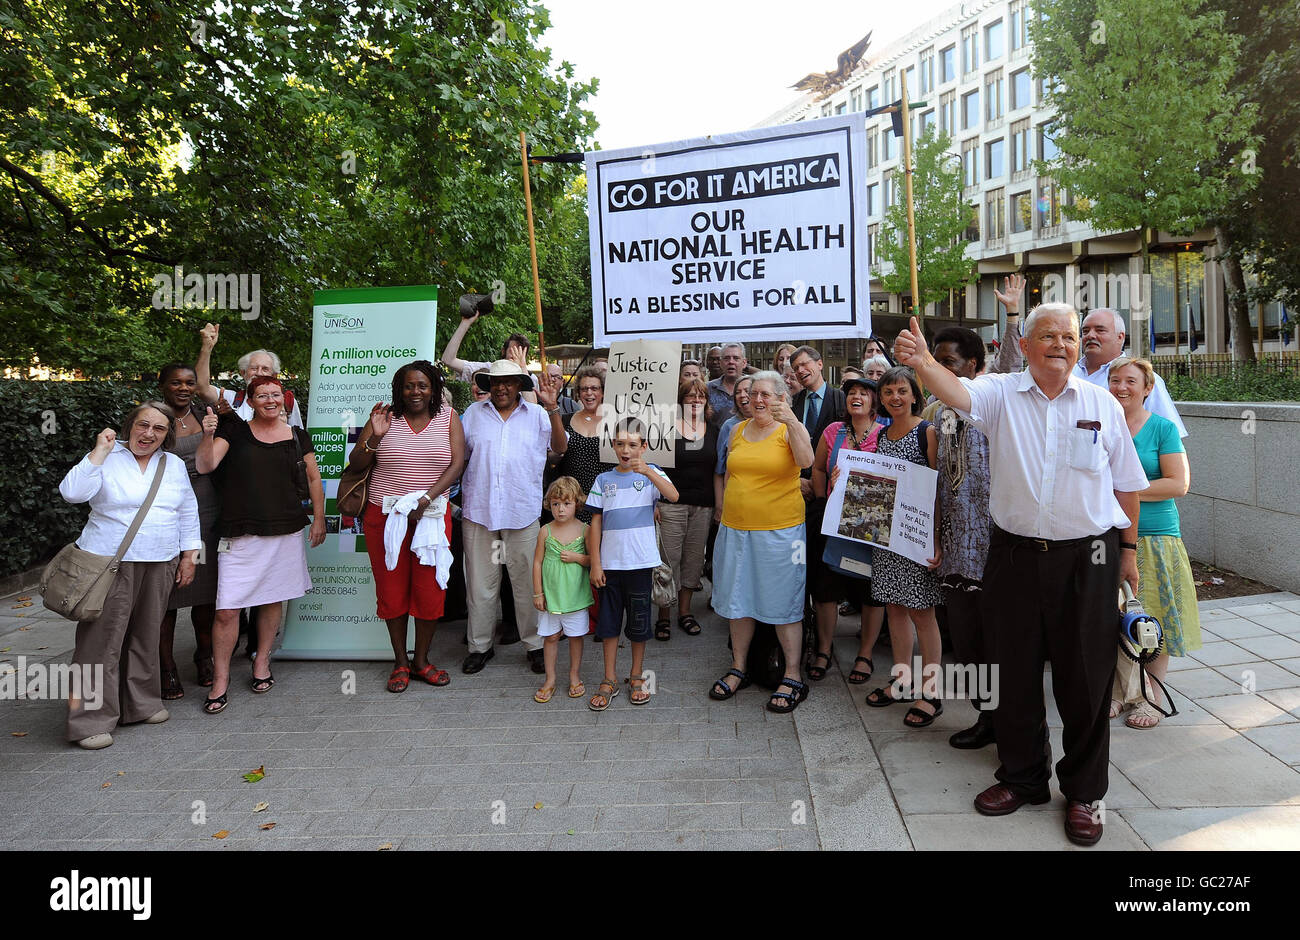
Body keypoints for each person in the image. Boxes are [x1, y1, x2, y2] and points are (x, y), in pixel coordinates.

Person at [895, 304, 1148, 847]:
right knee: (1012, 671)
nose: (1062, 343)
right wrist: (921, 363)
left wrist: (1127, 551)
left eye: (1071, 336)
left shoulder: (1102, 402)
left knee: (1084, 678)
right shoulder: (999, 393)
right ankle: (1022, 777)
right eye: (1049, 335)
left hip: (1091, 557)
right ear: (1027, 344)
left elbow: (1127, 483)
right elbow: (955, 391)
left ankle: (1084, 792)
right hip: (1012, 555)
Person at [59, 405, 201, 749]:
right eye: (143, 425)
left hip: (160, 560)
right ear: (130, 426)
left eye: (159, 428)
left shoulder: (174, 465)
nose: (149, 433)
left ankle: (141, 704)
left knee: (145, 637)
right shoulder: (107, 456)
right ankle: (88, 720)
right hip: (110, 562)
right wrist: (99, 452)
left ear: (168, 435)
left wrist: (190, 555)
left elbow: (187, 509)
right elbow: (72, 493)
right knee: (99, 644)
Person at [921, 275, 1025, 748]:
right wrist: (934, 537)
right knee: (967, 642)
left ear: (974, 366)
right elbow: (932, 478)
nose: (939, 371)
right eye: (935, 364)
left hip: (997, 550)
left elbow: (1012, 364)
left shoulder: (997, 399)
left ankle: (1014, 728)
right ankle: (986, 719)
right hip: (954, 553)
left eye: (948, 363)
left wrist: (1013, 315)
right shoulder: (934, 412)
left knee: (1003, 642)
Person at [196, 377, 326, 714]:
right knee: (227, 610)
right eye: (261, 395)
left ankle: (261, 663)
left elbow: (313, 478)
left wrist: (321, 519)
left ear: (283, 399)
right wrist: (208, 434)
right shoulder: (234, 430)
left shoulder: (297, 435)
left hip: (285, 530)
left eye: (275, 394)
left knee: (272, 599)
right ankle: (220, 679)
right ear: (250, 401)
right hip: (240, 532)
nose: (270, 400)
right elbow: (206, 464)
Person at [349, 361, 465, 693]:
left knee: (430, 591)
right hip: (384, 518)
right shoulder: (384, 418)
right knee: (392, 591)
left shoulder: (448, 418)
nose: (416, 392)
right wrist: (374, 437)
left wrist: (426, 499)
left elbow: (457, 463)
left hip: (430, 516)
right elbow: (356, 464)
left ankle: (421, 661)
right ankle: (400, 661)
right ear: (399, 389)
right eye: (409, 386)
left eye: (422, 385)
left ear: (434, 389)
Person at [708, 371, 815, 713]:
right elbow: (727, 473)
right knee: (738, 598)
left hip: (781, 532)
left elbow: (807, 462)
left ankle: (793, 674)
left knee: (784, 602)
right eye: (754, 394)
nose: (758, 400)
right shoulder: (736, 430)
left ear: (783, 397)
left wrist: (794, 422)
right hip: (736, 530)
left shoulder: (788, 429)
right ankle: (739, 666)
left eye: (766, 394)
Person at [1107, 357, 1200, 728]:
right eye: (1115, 380)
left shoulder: (1162, 428)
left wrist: (1125, 491)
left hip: (1156, 537)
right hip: (1106, 538)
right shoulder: (1100, 425)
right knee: (1110, 619)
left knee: (1153, 620)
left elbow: (1178, 484)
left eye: (1131, 381)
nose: (1121, 387)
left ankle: (1152, 696)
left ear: (1148, 389)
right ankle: (1118, 691)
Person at [459, 360, 567, 675]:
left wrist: (553, 408)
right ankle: (479, 646)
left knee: (528, 583)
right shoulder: (473, 414)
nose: (502, 388)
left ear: (519, 385)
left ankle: (534, 646)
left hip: (522, 512)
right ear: (488, 385)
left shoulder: (537, 414)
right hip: (479, 512)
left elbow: (559, 449)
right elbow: (460, 457)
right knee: (480, 584)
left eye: (508, 382)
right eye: (496, 382)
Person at [860, 367, 945, 728]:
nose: (895, 397)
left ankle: (931, 691)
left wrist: (938, 539)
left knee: (922, 614)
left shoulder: (927, 432)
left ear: (914, 395)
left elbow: (938, 489)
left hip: (917, 534)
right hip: (886, 536)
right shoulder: (879, 435)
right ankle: (902, 680)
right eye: (888, 392)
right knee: (894, 609)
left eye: (901, 391)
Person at [586, 419, 679, 709]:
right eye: (620, 444)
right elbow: (596, 523)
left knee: (639, 624)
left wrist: (648, 471)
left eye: (633, 445)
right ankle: (609, 678)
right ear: (613, 445)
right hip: (611, 565)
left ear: (644, 447)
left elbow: (674, 496)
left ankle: (637, 675)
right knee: (609, 624)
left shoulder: (652, 475)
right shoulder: (603, 480)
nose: (626, 450)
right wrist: (596, 564)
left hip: (640, 565)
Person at [810, 375, 887, 684]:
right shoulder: (833, 431)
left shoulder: (886, 435)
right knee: (826, 588)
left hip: (871, 526)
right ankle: (824, 650)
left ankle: (865, 654)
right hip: (833, 523)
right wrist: (821, 497)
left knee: (870, 592)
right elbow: (816, 468)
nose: (856, 396)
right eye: (852, 392)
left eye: (864, 393)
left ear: (874, 402)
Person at [155, 364, 220, 701]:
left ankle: (204, 655)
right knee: (165, 598)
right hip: (164, 514)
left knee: (205, 593)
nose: (183, 388)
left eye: (189, 383)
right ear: (162, 385)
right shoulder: (151, 419)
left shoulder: (206, 414)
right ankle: (166, 667)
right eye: (175, 383)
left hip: (206, 511)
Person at [788, 345, 847, 669]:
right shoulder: (792, 405)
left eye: (804, 364)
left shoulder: (841, 400)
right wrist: (798, 480)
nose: (800, 370)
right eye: (794, 367)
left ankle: (825, 649)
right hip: (795, 499)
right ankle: (803, 638)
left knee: (826, 578)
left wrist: (821, 484)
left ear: (819, 364)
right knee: (799, 573)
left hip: (827, 501)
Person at [655, 378, 718, 640]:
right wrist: (654, 502)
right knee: (668, 560)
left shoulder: (715, 430)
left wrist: (719, 505)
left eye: (700, 396)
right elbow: (654, 468)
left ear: (706, 401)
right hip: (671, 505)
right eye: (690, 396)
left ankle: (684, 612)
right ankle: (663, 616)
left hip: (703, 506)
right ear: (680, 400)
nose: (695, 401)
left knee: (693, 561)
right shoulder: (665, 428)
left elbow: (719, 470)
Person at [1077, 309, 1188, 437]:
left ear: (1120, 337)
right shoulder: (1068, 374)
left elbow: (1171, 436)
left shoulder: (1142, 379)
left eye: (1100, 330)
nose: (1090, 335)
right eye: (1085, 331)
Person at [531, 477, 593, 703]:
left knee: (576, 637)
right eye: (556, 503)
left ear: (577, 503)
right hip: (550, 598)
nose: (560, 509)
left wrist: (577, 557)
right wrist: (538, 593)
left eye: (566, 503)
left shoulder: (585, 530)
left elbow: (593, 560)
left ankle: (574, 675)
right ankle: (550, 679)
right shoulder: (545, 531)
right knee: (550, 637)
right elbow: (537, 562)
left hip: (575, 596)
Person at [195, 323, 302, 427]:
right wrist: (206, 347)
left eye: (265, 369)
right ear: (243, 373)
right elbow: (201, 389)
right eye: (254, 368)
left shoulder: (286, 401)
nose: (259, 373)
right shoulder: (231, 399)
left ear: (274, 375)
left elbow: (298, 437)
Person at [554, 366, 612, 524]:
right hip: (572, 502)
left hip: (605, 503)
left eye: (594, 388)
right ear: (578, 393)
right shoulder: (565, 420)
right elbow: (557, 451)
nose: (589, 393)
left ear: (603, 392)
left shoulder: (615, 423)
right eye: (584, 388)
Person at [706, 342, 747, 425]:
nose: (731, 362)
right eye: (726, 358)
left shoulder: (755, 387)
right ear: (721, 363)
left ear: (744, 363)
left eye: (736, 358)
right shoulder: (707, 388)